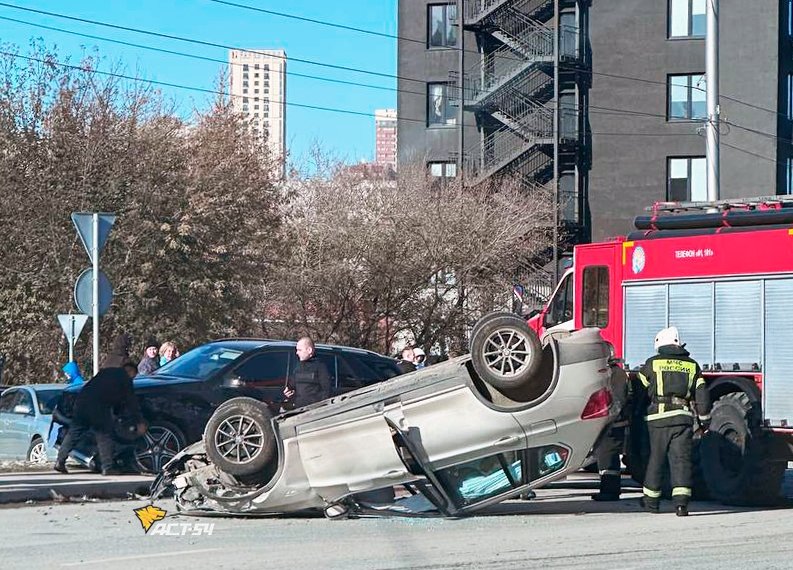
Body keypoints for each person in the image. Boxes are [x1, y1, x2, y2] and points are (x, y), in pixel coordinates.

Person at [638, 326, 711, 516]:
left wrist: (635, 415)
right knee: (681, 461)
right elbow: (702, 396)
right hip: (683, 419)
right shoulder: (692, 366)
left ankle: (651, 503)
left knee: (656, 459)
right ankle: (681, 505)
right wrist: (704, 421)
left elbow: (639, 391)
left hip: (657, 419)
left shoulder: (652, 364)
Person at [54, 367, 146, 476]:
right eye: (134, 376)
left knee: (74, 432)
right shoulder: (125, 378)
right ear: (131, 371)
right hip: (98, 407)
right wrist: (139, 420)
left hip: (82, 402)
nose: (133, 378)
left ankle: (60, 460)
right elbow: (130, 400)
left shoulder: (106, 372)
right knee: (105, 436)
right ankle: (107, 467)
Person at [283, 337, 332, 408]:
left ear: (309, 350)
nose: (297, 353)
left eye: (299, 350)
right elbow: (293, 386)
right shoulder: (298, 367)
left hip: (314, 410)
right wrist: (289, 392)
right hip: (298, 409)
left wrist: (317, 405)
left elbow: (327, 391)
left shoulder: (320, 367)